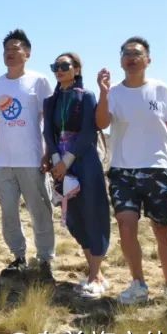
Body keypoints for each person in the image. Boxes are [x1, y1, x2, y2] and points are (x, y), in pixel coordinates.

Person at [95, 37, 167, 305]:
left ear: (148, 59)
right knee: (126, 225)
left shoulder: (162, 90)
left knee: (163, 231)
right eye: (126, 53)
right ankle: (138, 283)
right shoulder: (114, 93)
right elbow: (101, 123)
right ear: (121, 60)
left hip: (157, 169)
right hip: (123, 170)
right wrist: (103, 92)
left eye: (137, 53)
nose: (131, 57)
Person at [0, 28, 55, 280]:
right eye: (6, 50)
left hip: (32, 159)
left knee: (40, 211)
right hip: (4, 161)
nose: (10, 54)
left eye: (15, 49)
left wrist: (49, 153)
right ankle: (18, 256)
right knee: (8, 212)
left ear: (27, 53)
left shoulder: (39, 82)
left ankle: (46, 258)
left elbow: (49, 120)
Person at [44, 52, 110, 297]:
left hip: (85, 163)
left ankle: (94, 276)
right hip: (60, 164)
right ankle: (97, 273)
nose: (59, 70)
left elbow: (87, 133)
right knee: (74, 217)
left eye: (64, 65)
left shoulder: (86, 96)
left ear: (77, 69)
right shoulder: (50, 101)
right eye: (55, 66)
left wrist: (67, 160)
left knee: (93, 212)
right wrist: (55, 160)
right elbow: (47, 134)